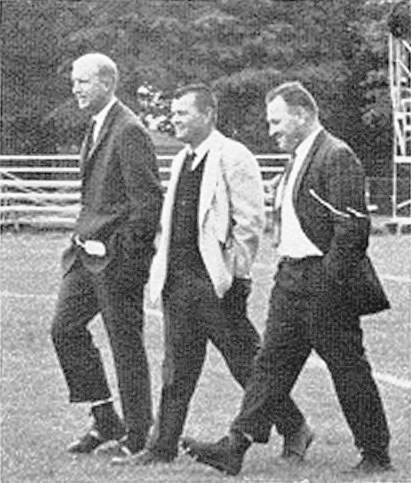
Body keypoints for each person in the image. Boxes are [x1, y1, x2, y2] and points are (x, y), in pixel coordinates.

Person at [182, 81, 392, 476]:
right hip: (291, 278)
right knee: (269, 365)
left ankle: (376, 453)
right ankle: (236, 445)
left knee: (347, 367)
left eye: (277, 121)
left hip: (323, 280)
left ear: (302, 115)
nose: (271, 129)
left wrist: (328, 281)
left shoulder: (337, 155)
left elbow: (353, 230)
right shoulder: (297, 157)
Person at [112, 83, 266, 465]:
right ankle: (161, 447)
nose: (174, 119)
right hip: (178, 282)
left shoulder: (233, 155)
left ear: (208, 114)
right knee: (176, 371)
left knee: (244, 362)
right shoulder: (183, 158)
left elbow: (250, 223)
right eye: (173, 112)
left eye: (183, 113)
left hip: (216, 283)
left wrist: (235, 275)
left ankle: (295, 427)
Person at [50, 53, 163, 457]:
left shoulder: (129, 130)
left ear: (106, 84)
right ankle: (104, 418)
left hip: (116, 260)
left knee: (124, 344)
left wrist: (125, 257)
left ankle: (136, 433)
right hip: (84, 255)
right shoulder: (97, 127)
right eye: (74, 81)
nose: (75, 88)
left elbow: (148, 203)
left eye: (83, 81)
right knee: (64, 329)